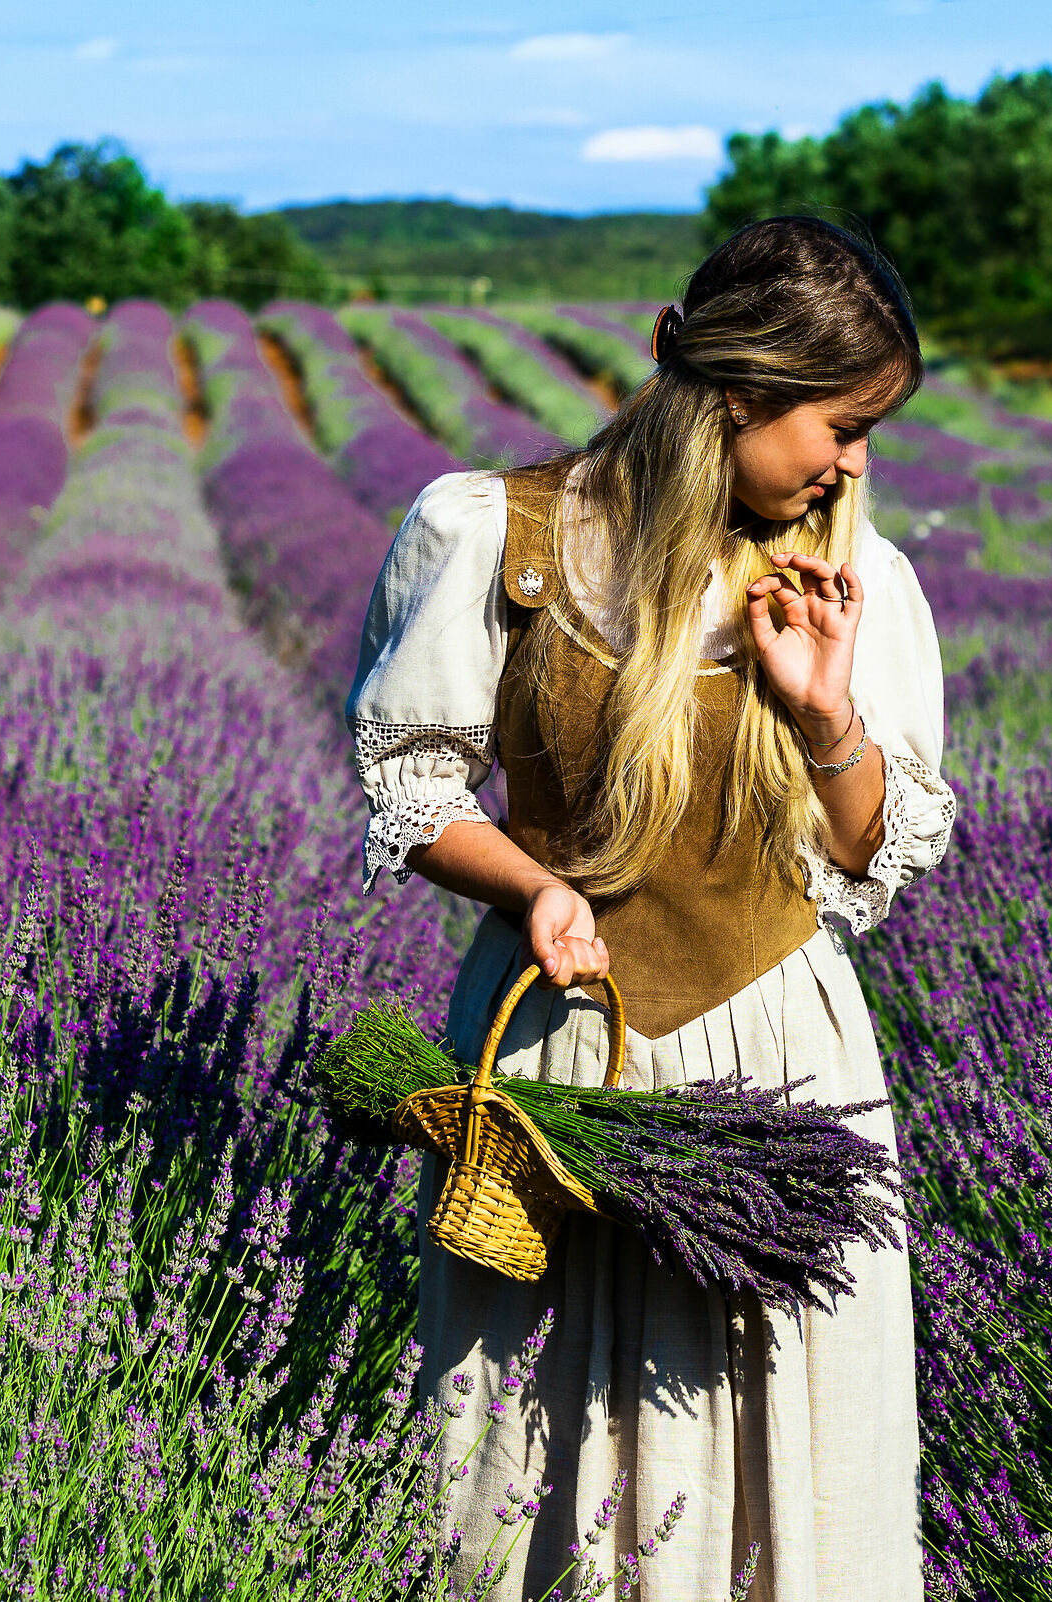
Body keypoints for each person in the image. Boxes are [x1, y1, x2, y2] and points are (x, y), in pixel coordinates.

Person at [347, 216, 954, 1600]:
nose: (855, 464)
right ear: (735, 389)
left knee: (775, 1434)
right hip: (563, 1050)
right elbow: (411, 784)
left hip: (778, 1071)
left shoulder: (864, 583)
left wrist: (826, 717)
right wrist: (535, 882)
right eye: (840, 423)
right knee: (537, 1422)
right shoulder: (497, 536)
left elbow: (874, 861)